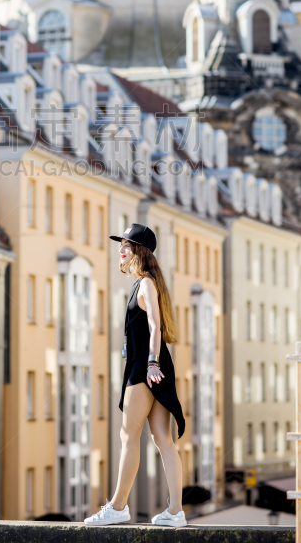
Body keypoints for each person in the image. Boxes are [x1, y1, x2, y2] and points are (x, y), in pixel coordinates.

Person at [84, 223, 186, 527]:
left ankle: (117, 507)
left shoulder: (145, 284)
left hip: (145, 366)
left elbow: (155, 326)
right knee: (162, 440)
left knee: (128, 437)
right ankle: (176, 512)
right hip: (154, 365)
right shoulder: (149, 283)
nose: (121, 249)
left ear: (139, 251)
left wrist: (152, 363)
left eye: (126, 245)